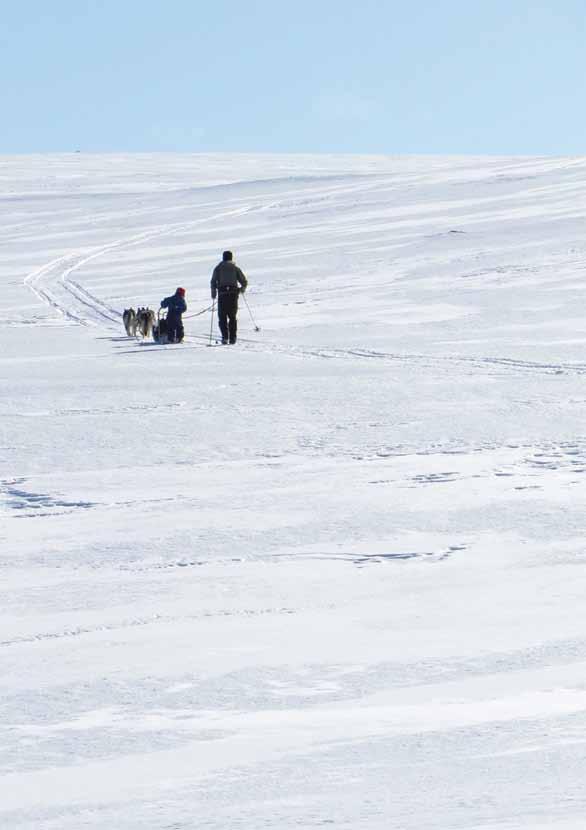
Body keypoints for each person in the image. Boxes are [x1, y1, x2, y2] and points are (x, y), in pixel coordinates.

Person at [210, 251, 248, 344]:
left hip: (222, 295)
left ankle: (225, 337)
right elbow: (244, 281)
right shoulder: (235, 268)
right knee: (232, 317)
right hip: (233, 295)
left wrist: (214, 293)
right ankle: (233, 338)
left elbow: (213, 282)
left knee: (222, 317)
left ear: (223, 258)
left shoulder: (218, 268)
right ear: (231, 258)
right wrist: (241, 290)